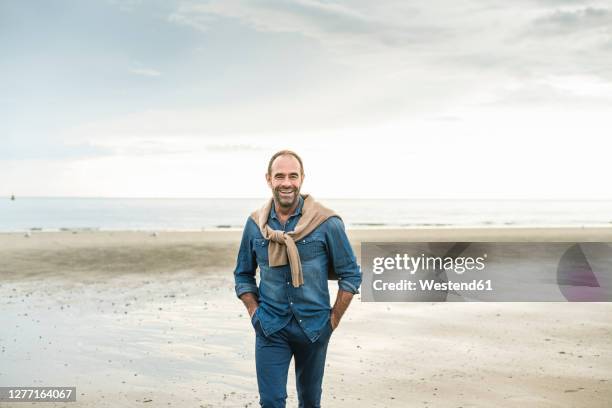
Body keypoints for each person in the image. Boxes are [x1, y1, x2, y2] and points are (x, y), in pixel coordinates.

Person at [234, 150, 362, 408]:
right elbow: (243, 274)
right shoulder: (255, 224)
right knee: (271, 402)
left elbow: (351, 274)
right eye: (279, 176)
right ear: (268, 179)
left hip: (314, 328)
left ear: (302, 178)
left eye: (293, 176)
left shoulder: (326, 222)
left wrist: (333, 320)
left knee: (310, 402)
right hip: (270, 327)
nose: (286, 183)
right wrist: (254, 312)